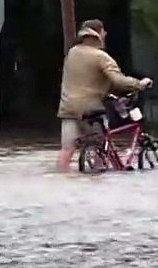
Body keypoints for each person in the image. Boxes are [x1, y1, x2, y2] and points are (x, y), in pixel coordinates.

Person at [55, 19, 152, 171]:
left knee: (67, 150)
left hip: (68, 109)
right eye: (103, 31)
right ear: (98, 34)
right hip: (92, 111)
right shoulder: (100, 57)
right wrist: (140, 84)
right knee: (100, 151)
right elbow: (118, 80)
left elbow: (88, 79)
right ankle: (98, 182)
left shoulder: (72, 54)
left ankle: (62, 181)